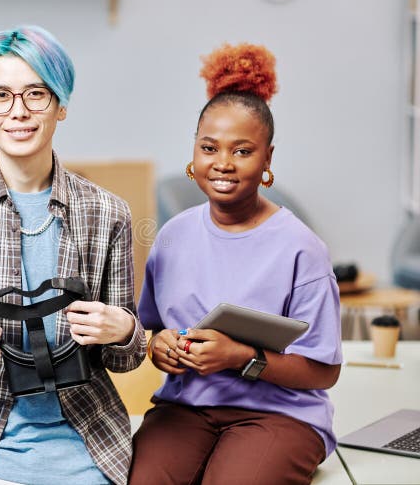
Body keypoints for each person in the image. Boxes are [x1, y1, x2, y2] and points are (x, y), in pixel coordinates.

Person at [0, 25, 147, 485]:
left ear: (61, 105)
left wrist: (124, 331)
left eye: (36, 93)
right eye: (1, 95)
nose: (18, 111)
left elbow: (126, 359)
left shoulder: (108, 213)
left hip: (89, 445)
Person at [128, 44, 342, 485]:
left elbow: (325, 369)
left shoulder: (302, 249)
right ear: (195, 153)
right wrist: (160, 347)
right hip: (187, 409)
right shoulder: (171, 236)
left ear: (267, 159)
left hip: (280, 414)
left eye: (242, 151)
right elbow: (150, 329)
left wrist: (241, 357)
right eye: (210, 147)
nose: (222, 163)